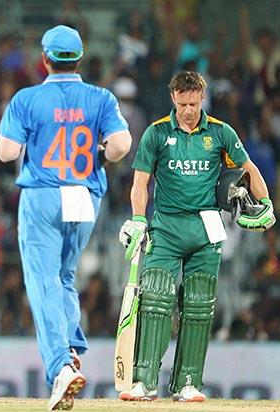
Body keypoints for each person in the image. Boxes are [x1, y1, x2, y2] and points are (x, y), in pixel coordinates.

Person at [0, 25, 132, 410]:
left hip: (43, 196)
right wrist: (98, 153)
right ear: (80, 58)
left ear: (44, 59)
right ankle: (71, 349)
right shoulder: (101, 98)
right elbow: (121, 145)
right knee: (64, 277)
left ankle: (60, 367)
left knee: (41, 282)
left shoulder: (28, 98)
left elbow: (6, 152)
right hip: (85, 196)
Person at [118, 71, 275, 402]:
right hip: (167, 226)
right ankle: (144, 381)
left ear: (202, 98)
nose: (188, 110)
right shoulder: (157, 133)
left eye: (193, 103)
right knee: (156, 298)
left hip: (206, 229)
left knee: (199, 305)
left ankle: (187, 382)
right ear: (173, 97)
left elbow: (249, 170)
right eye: (182, 103)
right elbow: (140, 182)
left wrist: (266, 204)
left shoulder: (220, 133)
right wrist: (136, 219)